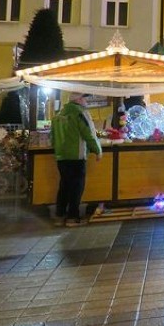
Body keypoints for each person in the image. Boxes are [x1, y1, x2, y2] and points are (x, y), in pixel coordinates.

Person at [51, 93, 102, 227]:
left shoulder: (59, 115)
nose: (86, 101)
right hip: (77, 156)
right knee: (76, 187)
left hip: (61, 156)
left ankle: (59, 216)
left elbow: (52, 137)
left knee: (64, 186)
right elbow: (89, 133)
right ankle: (72, 218)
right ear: (78, 100)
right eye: (85, 98)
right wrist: (97, 150)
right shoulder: (80, 113)